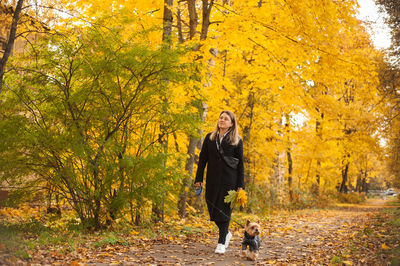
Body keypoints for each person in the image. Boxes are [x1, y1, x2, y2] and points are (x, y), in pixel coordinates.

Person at [194, 110, 245, 254]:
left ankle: (221, 242)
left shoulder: (236, 140)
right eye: (221, 117)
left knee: (225, 209)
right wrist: (198, 179)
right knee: (213, 209)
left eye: (225, 119)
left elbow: (241, 164)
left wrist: (241, 185)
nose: (222, 120)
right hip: (212, 179)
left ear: (231, 123)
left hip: (230, 180)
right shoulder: (209, 138)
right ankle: (226, 233)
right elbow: (202, 159)